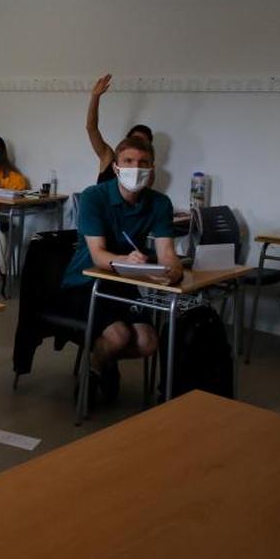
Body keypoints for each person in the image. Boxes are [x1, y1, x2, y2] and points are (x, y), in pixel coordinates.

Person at [56, 136, 182, 404]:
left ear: (152, 168)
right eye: (128, 161)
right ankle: (96, 368)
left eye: (143, 162)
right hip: (84, 282)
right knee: (119, 335)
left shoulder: (160, 203)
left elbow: (167, 253)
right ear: (115, 166)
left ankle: (103, 357)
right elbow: (99, 256)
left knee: (148, 342)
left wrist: (171, 271)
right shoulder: (94, 197)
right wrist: (127, 260)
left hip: (123, 284)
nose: (135, 168)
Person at [86, 74, 154, 184]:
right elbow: (91, 128)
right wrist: (95, 97)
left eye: (141, 143)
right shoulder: (108, 157)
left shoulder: (145, 172)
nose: (136, 145)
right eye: (134, 140)